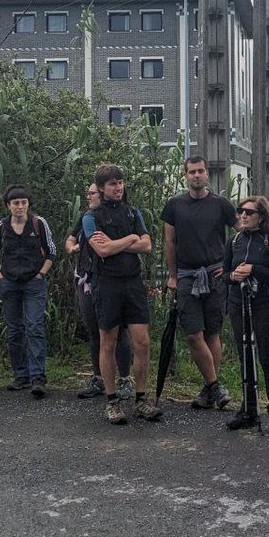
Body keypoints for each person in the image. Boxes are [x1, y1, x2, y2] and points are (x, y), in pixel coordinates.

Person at [86, 164, 160, 425]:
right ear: (102, 188)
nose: (118, 188)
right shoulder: (91, 217)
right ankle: (112, 401)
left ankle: (141, 399)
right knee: (109, 341)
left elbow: (147, 245)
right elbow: (101, 251)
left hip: (132, 282)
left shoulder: (133, 213)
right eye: (112, 184)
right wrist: (131, 239)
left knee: (142, 342)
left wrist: (122, 240)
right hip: (106, 284)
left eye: (120, 182)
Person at [162, 156, 237, 411]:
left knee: (213, 333)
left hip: (215, 275)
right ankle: (216, 387)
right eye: (192, 171)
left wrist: (231, 268)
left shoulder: (221, 205)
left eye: (200, 171)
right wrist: (172, 275)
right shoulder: (174, 205)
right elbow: (169, 243)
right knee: (194, 334)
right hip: (186, 276)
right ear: (185, 175)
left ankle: (209, 389)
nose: (196, 175)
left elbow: (242, 231)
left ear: (207, 174)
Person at [223, 195, 269, 436]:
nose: (243, 216)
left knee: (267, 356)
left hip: (264, 305)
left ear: (261, 217)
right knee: (244, 354)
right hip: (239, 303)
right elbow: (224, 273)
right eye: (241, 211)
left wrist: (254, 270)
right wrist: (233, 276)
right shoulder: (234, 241)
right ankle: (248, 410)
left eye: (249, 212)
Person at [65, 181, 132, 400]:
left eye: (93, 193)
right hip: (86, 279)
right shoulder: (86, 217)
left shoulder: (117, 216)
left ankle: (124, 379)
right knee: (95, 332)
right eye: (88, 193)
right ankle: (98, 377)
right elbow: (69, 240)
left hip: (110, 280)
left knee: (119, 331)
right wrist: (73, 247)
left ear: (101, 193)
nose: (90, 196)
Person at [0, 185, 56, 398]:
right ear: (8, 205)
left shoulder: (38, 223)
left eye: (23, 202)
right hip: (9, 283)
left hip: (33, 283)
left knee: (34, 326)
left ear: (28, 204)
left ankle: (38, 377)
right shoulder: (1, 227)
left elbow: (52, 251)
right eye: (15, 203)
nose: (20, 206)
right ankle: (21, 375)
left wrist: (41, 275)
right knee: (15, 329)